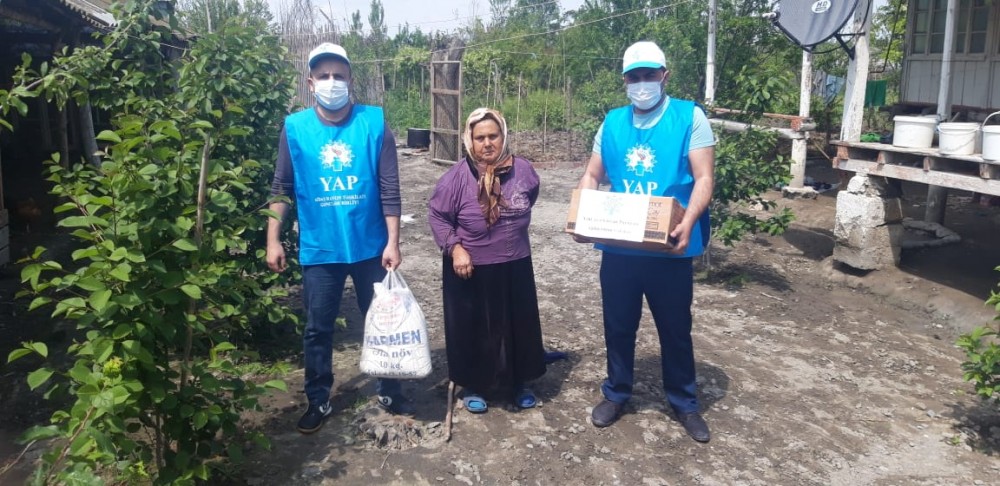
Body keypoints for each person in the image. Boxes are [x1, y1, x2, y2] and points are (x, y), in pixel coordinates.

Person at [266, 43, 413, 434]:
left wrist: (393, 241)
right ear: (311, 81)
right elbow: (281, 186)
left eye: (339, 75)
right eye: (324, 75)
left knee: (383, 321)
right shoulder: (295, 128)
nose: (332, 82)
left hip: (370, 246)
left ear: (351, 81)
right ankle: (318, 399)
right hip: (320, 248)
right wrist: (273, 238)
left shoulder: (374, 123)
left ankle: (389, 388)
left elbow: (389, 187)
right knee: (318, 328)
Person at [574, 41, 715, 442]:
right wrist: (583, 211)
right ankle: (617, 392)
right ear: (624, 80)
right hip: (620, 248)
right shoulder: (612, 123)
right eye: (633, 77)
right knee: (618, 325)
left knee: (675, 328)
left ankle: (684, 403)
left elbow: (704, 177)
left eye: (649, 75)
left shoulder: (690, 118)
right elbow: (592, 174)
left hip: (669, 245)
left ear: (664, 75)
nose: (642, 83)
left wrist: (689, 220)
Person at [428, 108, 546, 414]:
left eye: (493, 136)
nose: (487, 143)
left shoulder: (524, 171)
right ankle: (475, 384)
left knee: (517, 326)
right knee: (474, 329)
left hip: (515, 261)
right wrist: (455, 248)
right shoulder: (454, 179)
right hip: (471, 266)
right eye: (480, 138)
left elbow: (529, 199)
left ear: (503, 136)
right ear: (469, 140)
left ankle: (518, 383)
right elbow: (438, 216)